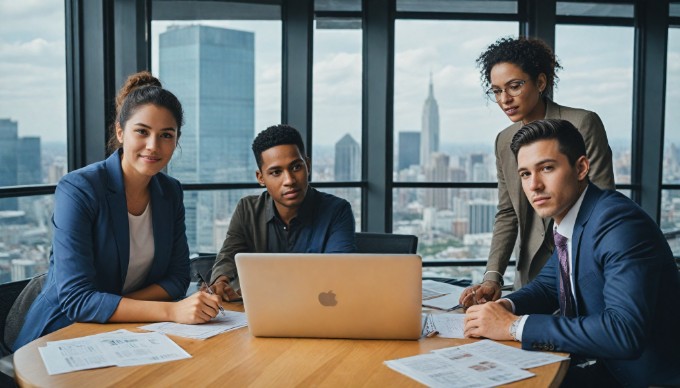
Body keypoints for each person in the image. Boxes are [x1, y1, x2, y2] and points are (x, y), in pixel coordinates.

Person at [13, 71, 222, 351]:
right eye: (142, 131)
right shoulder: (79, 188)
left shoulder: (170, 192)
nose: (153, 146)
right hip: (63, 332)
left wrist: (119, 306)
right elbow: (77, 300)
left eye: (166, 135)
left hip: (133, 330)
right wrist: (171, 312)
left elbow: (177, 278)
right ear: (120, 132)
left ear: (176, 140)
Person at [463, 119, 680, 387]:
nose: (534, 185)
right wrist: (503, 307)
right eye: (525, 174)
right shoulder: (573, 220)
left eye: (546, 168)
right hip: (604, 365)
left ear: (581, 168)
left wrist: (512, 326)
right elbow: (547, 286)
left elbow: (623, 332)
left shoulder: (617, 224)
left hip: (640, 378)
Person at [460, 36, 615, 307]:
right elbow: (508, 212)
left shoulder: (582, 123)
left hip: (581, 266)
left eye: (515, 86)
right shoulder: (504, 140)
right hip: (530, 275)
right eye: (496, 91)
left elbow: (603, 201)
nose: (505, 99)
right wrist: (492, 277)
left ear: (540, 83)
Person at [208, 124, 356, 301]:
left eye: (296, 167)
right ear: (261, 178)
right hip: (261, 313)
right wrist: (220, 282)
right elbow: (228, 255)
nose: (289, 180)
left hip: (318, 310)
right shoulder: (247, 210)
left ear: (307, 165)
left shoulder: (337, 211)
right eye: (276, 172)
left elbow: (339, 273)